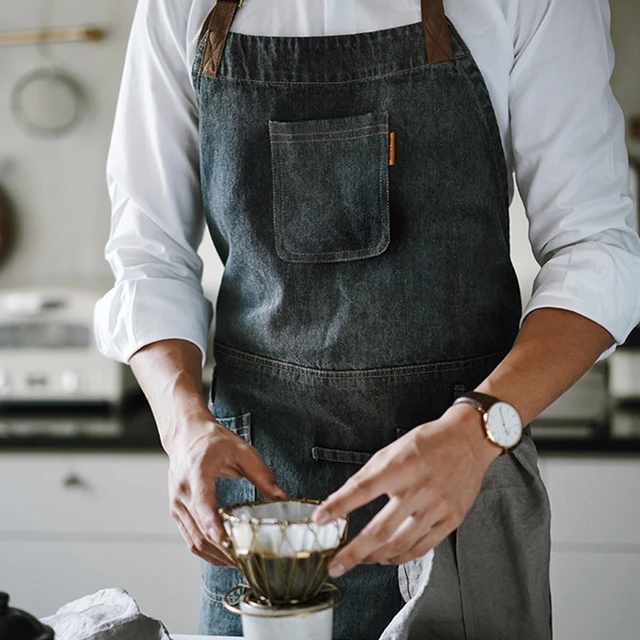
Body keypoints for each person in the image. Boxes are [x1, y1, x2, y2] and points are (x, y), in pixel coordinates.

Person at [94, 0, 640, 638]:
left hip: (460, 495)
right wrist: (184, 426)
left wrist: (478, 431)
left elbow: (597, 250)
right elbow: (147, 257)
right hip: (264, 520)